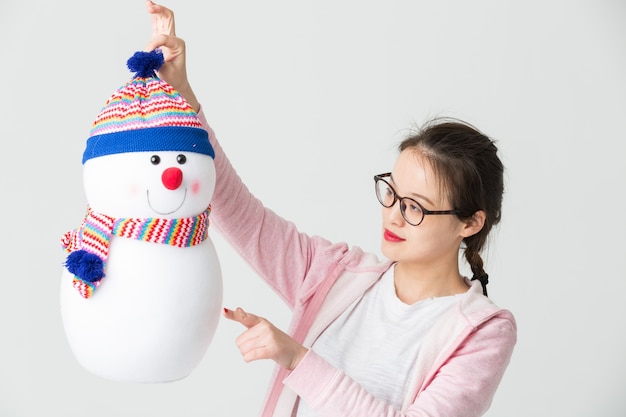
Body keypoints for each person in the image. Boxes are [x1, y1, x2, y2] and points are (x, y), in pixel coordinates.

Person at [144, 2, 517, 416]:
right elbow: (239, 212)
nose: (393, 214)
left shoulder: (483, 330)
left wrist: (297, 359)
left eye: (415, 207)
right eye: (391, 192)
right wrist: (183, 98)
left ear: (470, 222)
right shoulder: (334, 273)